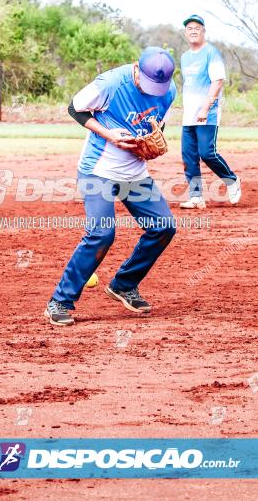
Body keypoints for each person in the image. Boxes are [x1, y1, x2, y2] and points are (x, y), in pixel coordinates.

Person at [45, 47, 179, 326]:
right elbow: (75, 108)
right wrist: (110, 135)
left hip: (134, 173)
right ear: (135, 70)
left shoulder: (168, 90)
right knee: (102, 234)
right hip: (98, 170)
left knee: (164, 226)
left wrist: (150, 146)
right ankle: (60, 300)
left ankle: (124, 284)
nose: (154, 91)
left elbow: (156, 125)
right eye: (148, 85)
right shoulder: (110, 84)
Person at [178, 14, 241, 209]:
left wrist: (205, 107)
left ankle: (231, 180)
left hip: (207, 114)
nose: (193, 30)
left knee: (207, 153)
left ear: (204, 31)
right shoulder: (185, 57)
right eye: (190, 28)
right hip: (189, 116)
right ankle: (196, 197)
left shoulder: (211, 52)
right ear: (185, 33)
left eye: (197, 27)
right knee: (189, 157)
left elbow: (217, 81)